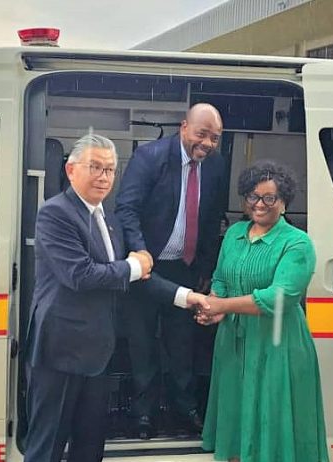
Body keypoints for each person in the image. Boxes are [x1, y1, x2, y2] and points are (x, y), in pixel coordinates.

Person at [23, 134, 209, 462]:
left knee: (90, 447)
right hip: (61, 352)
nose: (103, 177)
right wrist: (134, 265)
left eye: (109, 170)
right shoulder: (55, 214)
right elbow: (81, 276)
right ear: (70, 170)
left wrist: (186, 297)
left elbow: (136, 280)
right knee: (47, 447)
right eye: (95, 167)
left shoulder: (108, 219)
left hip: (99, 355)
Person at [196, 160, 328, 462]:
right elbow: (221, 278)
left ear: (284, 202)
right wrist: (214, 305)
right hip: (233, 344)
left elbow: (278, 298)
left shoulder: (297, 243)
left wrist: (222, 306)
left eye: (269, 198)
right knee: (235, 422)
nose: (259, 204)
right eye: (253, 196)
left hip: (278, 345)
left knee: (273, 424)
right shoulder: (235, 234)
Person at [115, 103, 227, 438]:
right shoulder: (149, 158)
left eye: (215, 138)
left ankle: (185, 410)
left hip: (186, 269)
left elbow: (212, 218)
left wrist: (206, 266)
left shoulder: (216, 165)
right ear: (183, 127)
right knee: (143, 345)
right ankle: (144, 414)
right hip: (147, 269)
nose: (207, 143)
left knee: (182, 346)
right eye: (202, 134)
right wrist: (139, 252)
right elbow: (126, 209)